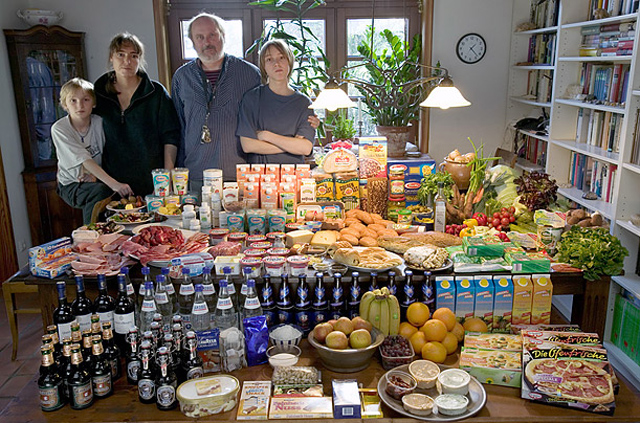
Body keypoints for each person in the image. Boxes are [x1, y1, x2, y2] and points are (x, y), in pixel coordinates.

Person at [172, 13, 261, 190]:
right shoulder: (181, 78)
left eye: (212, 35)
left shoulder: (250, 74)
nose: (207, 42)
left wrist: (302, 115)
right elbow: (178, 126)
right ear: (192, 41)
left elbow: (263, 119)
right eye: (200, 37)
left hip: (239, 174)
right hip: (196, 174)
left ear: (223, 35)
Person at [94, 32, 180, 196]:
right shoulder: (98, 92)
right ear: (111, 57)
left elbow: (171, 137)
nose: (127, 61)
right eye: (121, 54)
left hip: (152, 183)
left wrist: (166, 179)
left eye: (134, 56)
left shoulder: (156, 93)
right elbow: (84, 133)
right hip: (111, 185)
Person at [52, 78, 134, 224]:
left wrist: (96, 177)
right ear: (65, 105)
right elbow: (84, 159)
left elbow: (112, 151)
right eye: (73, 101)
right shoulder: (60, 129)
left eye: (86, 99)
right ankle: (89, 234)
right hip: (70, 183)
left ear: (94, 103)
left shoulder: (99, 122)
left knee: (112, 194)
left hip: (94, 179)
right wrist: (114, 184)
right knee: (102, 191)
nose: (80, 105)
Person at [237, 39, 315, 164]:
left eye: (281, 58)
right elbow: (248, 146)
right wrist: (291, 145)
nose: (276, 64)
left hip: (294, 176)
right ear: (263, 67)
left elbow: (305, 148)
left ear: (289, 61)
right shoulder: (252, 98)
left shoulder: (303, 103)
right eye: (269, 59)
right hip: (259, 177)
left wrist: (266, 136)